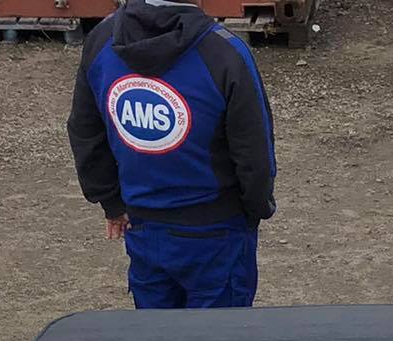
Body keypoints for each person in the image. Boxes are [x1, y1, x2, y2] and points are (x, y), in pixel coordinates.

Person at [68, 0, 277, 310]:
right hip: (217, 231)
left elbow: (85, 131)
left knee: (157, 336)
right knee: (221, 337)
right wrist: (255, 209)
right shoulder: (225, 53)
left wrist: (111, 202)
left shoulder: (102, 39)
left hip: (143, 227)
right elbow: (254, 151)